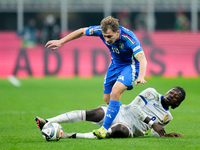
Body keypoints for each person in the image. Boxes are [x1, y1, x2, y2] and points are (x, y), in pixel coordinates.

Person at [45, 16, 147, 139]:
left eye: (109, 36)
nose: (106, 39)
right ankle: (126, 114)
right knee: (107, 99)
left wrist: (141, 76)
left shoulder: (129, 38)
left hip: (129, 67)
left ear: (118, 32)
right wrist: (61, 41)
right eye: (104, 36)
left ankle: (104, 128)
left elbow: (142, 58)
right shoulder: (100, 30)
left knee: (115, 92)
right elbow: (82, 31)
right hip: (114, 64)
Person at [35, 86, 186, 139]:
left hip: (132, 128)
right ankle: (47, 121)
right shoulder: (151, 92)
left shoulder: (167, 117)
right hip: (122, 112)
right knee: (95, 113)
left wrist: (165, 134)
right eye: (172, 92)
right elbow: (134, 107)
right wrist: (153, 124)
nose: (171, 95)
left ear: (176, 103)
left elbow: (154, 133)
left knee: (118, 130)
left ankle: (68, 135)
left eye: (175, 97)